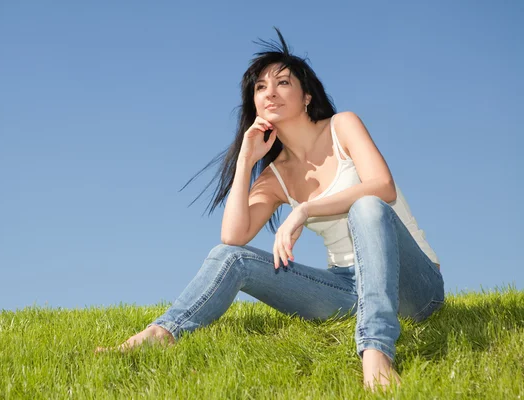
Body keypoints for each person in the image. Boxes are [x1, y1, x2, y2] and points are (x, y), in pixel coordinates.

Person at [95, 27, 445, 391]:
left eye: (282, 82)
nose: (270, 92)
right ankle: (163, 331)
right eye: (260, 87)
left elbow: (383, 187)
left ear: (307, 96)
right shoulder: (276, 175)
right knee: (231, 257)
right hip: (346, 286)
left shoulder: (343, 126)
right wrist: (247, 160)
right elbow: (232, 238)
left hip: (412, 284)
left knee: (367, 207)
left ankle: (376, 354)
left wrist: (304, 210)